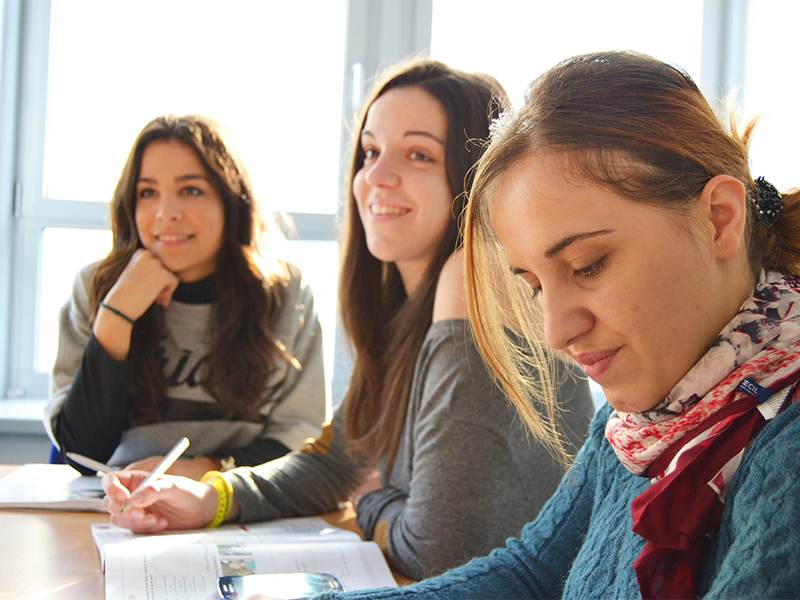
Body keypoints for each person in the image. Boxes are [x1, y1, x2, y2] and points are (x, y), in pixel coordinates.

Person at [281, 50, 800, 599]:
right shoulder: (643, 420)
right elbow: (530, 571)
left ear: (719, 218)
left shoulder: (781, 455)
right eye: (533, 284)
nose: (556, 332)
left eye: (588, 266)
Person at [101, 59, 595, 581]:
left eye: (419, 154)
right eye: (370, 152)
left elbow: (436, 550)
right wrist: (210, 499)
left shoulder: (474, 275)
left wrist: (373, 501)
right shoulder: (403, 309)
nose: (375, 177)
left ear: (475, 176)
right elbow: (338, 462)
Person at [45, 114, 327, 481]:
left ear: (231, 201)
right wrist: (115, 316)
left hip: (241, 504)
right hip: (116, 506)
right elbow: (82, 455)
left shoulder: (285, 293)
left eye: (191, 190)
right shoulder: (96, 286)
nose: (166, 214)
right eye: (147, 193)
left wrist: (204, 470)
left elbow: (300, 440)